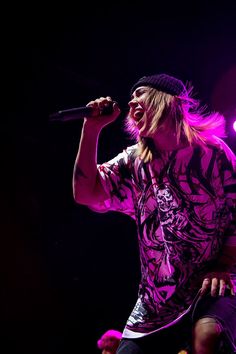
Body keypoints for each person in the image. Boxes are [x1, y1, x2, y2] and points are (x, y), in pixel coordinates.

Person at [72, 73, 236, 353]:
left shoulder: (213, 154)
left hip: (214, 283)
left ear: (167, 102)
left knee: (207, 337)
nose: (132, 100)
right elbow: (85, 193)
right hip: (157, 302)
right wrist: (92, 128)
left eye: (140, 94)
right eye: (131, 96)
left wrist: (223, 265)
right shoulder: (135, 161)